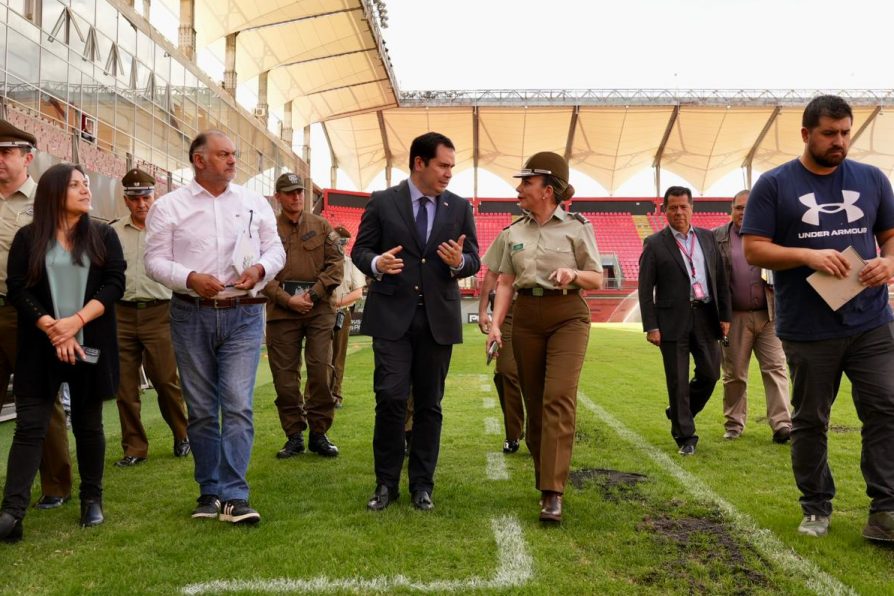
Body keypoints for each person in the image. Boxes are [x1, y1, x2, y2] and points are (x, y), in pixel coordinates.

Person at [742, 95, 894, 542]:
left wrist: (889, 262)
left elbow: (890, 237)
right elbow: (754, 248)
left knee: (886, 408)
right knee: (810, 419)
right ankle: (815, 507)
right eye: (830, 133)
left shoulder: (871, 179)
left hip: (871, 321)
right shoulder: (775, 184)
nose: (839, 141)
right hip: (809, 328)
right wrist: (807, 254)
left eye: (845, 132)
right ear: (807, 134)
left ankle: (885, 509)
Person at [145, 131, 284, 525]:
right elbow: (153, 261)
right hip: (192, 313)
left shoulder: (254, 202)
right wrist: (190, 277)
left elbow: (276, 249)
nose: (232, 160)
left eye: (234, 154)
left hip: (244, 313)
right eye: (223, 154)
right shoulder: (169, 206)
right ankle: (209, 492)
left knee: (238, 404)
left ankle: (236, 496)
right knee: (204, 410)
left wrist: (260, 268)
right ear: (198, 160)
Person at [352, 131, 479, 512]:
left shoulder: (459, 208)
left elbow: (473, 258)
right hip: (392, 317)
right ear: (419, 163)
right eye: (443, 165)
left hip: (438, 319)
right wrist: (377, 264)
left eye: (452, 167)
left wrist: (459, 263)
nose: (449, 174)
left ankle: (422, 485)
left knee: (429, 404)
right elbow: (360, 250)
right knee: (390, 397)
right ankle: (385, 484)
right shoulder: (382, 202)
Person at [0, 162, 125, 542]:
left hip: (90, 342)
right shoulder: (28, 238)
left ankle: (92, 499)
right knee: (30, 427)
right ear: (55, 193)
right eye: (76, 186)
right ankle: (11, 513)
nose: (86, 191)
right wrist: (53, 328)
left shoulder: (103, 235)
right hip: (41, 347)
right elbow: (17, 288)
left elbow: (114, 283)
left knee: (88, 425)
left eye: (86, 184)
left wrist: (76, 322)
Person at [487, 151, 602, 524]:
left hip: (568, 315)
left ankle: (552, 492)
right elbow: (504, 283)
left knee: (558, 397)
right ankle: (545, 475)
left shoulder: (577, 227)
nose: (519, 189)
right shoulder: (513, 232)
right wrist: (494, 325)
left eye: (527, 182)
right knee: (534, 403)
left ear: (548, 190)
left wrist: (573, 273)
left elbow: (597, 278)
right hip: (525, 317)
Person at [0, 120, 72, 510]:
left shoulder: (48, 203)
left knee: (42, 401)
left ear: (27, 158)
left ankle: (56, 486)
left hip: (31, 315)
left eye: (6, 153)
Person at [638, 186, 731, 457]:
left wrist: (725, 316)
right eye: (673, 207)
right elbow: (645, 290)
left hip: (705, 315)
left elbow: (720, 279)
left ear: (692, 208)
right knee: (677, 380)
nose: (678, 212)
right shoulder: (655, 243)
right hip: (671, 320)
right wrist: (651, 326)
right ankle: (685, 435)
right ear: (665, 210)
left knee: (711, 373)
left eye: (683, 206)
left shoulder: (708, 238)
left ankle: (680, 412)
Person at [111, 168, 189, 468]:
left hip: (161, 312)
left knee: (166, 381)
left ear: (155, 197)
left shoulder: (170, 230)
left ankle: (182, 435)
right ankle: (135, 447)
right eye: (134, 199)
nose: (141, 204)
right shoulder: (113, 232)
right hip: (121, 314)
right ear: (126, 200)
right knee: (125, 387)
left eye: (145, 197)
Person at [263, 172, 343, 459]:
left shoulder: (322, 226)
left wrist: (312, 295)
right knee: (284, 379)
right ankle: (294, 435)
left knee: (321, 371)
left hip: (319, 310)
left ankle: (320, 433)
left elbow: (336, 265)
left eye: (300, 192)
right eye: (290, 192)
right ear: (278, 197)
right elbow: (261, 273)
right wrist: (287, 299)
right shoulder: (267, 230)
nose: (296, 197)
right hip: (282, 312)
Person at [713, 190, 791, 443]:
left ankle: (782, 424)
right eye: (738, 207)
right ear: (731, 209)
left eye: (748, 207)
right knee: (734, 373)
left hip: (770, 314)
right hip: (734, 317)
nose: (743, 212)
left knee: (776, 368)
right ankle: (734, 425)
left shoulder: (772, 235)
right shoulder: (717, 237)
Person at [478, 228, 524, 454]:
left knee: (541, 377)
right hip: (508, 310)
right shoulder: (509, 235)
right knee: (505, 371)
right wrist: (483, 310)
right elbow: (492, 274)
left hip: (540, 307)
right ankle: (513, 433)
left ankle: (540, 433)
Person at [330, 225, 366, 409]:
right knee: (318, 357)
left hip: (341, 314)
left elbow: (358, 293)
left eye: (342, 243)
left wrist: (335, 302)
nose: (340, 245)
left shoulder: (350, 264)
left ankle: (335, 394)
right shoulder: (322, 263)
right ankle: (317, 395)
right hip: (321, 315)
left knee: (337, 356)